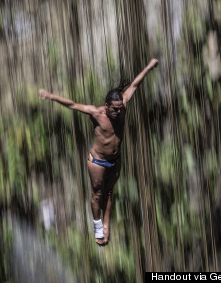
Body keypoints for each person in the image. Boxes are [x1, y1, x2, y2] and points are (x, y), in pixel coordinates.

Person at [39, 59, 159, 245]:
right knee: (97, 195)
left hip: (115, 160)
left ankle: (106, 225)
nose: (118, 113)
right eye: (114, 109)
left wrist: (149, 67)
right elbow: (72, 104)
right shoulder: (96, 113)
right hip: (97, 161)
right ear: (106, 105)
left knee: (109, 192)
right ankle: (97, 227)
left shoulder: (123, 104)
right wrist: (50, 96)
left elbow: (135, 83)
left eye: (120, 109)